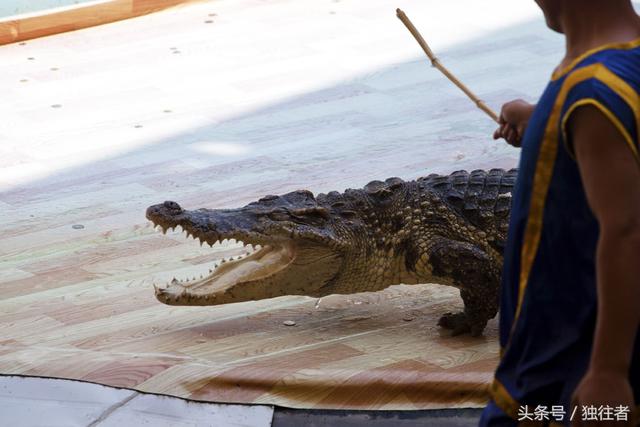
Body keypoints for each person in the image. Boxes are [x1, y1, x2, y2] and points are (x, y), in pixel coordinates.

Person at [480, 0, 640, 425]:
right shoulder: (609, 69)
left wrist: (608, 372)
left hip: (568, 356)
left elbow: (628, 232)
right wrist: (543, 121)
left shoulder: (593, 91)